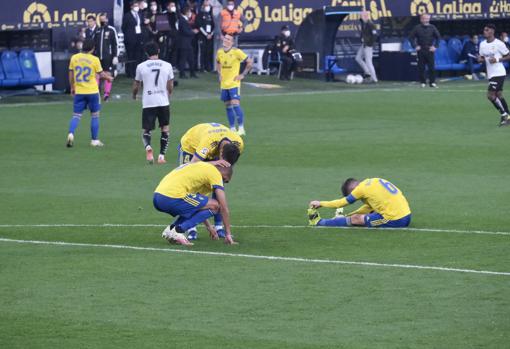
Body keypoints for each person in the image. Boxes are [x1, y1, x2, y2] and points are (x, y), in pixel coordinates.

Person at [178, 122, 243, 240]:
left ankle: (219, 227)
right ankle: (191, 228)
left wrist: (222, 166)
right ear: (221, 152)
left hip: (213, 148)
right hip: (191, 146)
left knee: (218, 181)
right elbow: (192, 165)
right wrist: (213, 162)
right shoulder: (208, 143)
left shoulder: (238, 143)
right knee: (192, 183)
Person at [153, 161, 236, 245]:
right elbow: (223, 207)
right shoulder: (215, 173)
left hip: (158, 196)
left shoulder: (200, 169)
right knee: (216, 205)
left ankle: (171, 229)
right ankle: (177, 231)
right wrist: (228, 234)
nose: (222, 184)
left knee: (202, 205)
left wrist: (209, 227)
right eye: (225, 180)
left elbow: (199, 207)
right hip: (171, 196)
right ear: (222, 174)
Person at [308, 177, 411, 228]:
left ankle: (319, 222)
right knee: (365, 214)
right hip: (406, 214)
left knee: (356, 219)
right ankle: (341, 220)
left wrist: (320, 203)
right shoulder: (374, 181)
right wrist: (348, 215)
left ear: (353, 190)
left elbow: (341, 203)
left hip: (396, 220)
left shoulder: (360, 190)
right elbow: (368, 208)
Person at [66, 39, 114, 148]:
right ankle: (94, 140)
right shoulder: (95, 59)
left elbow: (71, 74)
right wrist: (109, 78)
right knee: (95, 116)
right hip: (92, 92)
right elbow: (101, 74)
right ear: (92, 48)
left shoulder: (74, 58)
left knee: (76, 116)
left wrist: (72, 87)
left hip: (79, 91)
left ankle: (71, 133)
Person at [132, 42, 175, 164]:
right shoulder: (167, 65)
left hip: (148, 102)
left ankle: (148, 148)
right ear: (158, 51)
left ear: (146, 53)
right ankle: (161, 156)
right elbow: (170, 84)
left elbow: (136, 84)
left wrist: (134, 95)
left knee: (146, 130)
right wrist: (169, 94)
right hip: (163, 101)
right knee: (165, 128)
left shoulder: (141, 66)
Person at [216, 33, 253, 135]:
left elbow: (249, 62)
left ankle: (241, 128)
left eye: (228, 39)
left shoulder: (237, 52)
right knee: (227, 105)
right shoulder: (219, 52)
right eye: (225, 38)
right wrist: (219, 74)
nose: (225, 40)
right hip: (224, 84)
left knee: (235, 104)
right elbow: (218, 62)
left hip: (234, 83)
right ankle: (232, 128)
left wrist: (243, 74)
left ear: (231, 42)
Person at [478, 23, 510, 127]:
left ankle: (505, 115)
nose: (484, 32)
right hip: (491, 74)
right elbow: (482, 57)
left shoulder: (499, 43)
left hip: (499, 73)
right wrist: (480, 59)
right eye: (484, 30)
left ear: (492, 31)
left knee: (490, 95)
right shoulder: (482, 44)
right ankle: (508, 117)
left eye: (486, 30)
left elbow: (508, 56)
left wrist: (497, 59)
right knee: (499, 95)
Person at [409, 13, 441, 88]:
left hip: (430, 50)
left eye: (427, 18)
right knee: (421, 67)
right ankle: (422, 82)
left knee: (432, 67)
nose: (425, 20)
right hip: (421, 50)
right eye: (424, 18)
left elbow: (438, 37)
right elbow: (410, 38)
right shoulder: (417, 28)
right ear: (421, 19)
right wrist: (415, 46)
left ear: (429, 19)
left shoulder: (433, 27)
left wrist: (435, 47)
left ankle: (432, 82)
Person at [94, 13, 119, 102]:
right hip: (97, 57)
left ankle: (106, 94)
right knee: (97, 75)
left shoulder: (111, 30)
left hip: (108, 57)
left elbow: (115, 44)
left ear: (107, 19)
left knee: (108, 74)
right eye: (101, 19)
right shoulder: (97, 30)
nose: (102, 21)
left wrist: (115, 56)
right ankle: (96, 94)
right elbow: (94, 44)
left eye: (103, 19)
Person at [122, 1, 144, 78]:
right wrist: (129, 35)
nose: (137, 7)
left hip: (138, 38)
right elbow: (123, 27)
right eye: (135, 6)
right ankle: (129, 72)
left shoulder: (139, 14)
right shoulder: (127, 15)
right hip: (130, 39)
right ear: (131, 7)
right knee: (130, 56)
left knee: (137, 55)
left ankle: (136, 71)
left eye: (137, 5)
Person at [355, 10, 378, 83]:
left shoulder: (371, 24)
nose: (360, 17)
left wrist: (369, 44)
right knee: (358, 58)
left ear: (365, 16)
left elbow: (375, 36)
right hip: (364, 44)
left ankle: (374, 79)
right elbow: (364, 33)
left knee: (369, 62)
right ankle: (367, 72)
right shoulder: (363, 23)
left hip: (368, 45)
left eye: (362, 16)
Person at [177, 6, 198, 79]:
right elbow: (185, 31)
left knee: (191, 59)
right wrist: (193, 32)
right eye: (189, 12)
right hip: (183, 43)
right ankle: (182, 74)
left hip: (187, 43)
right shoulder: (182, 20)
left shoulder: (184, 19)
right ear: (186, 12)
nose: (190, 13)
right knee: (183, 59)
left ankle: (192, 73)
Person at [196, 0, 215, 72]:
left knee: (209, 52)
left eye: (208, 5)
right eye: (206, 5)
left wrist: (211, 34)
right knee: (202, 51)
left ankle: (208, 67)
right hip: (202, 36)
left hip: (210, 36)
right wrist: (206, 34)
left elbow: (214, 25)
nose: (207, 6)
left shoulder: (210, 15)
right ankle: (201, 67)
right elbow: (199, 25)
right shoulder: (200, 14)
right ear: (203, 6)